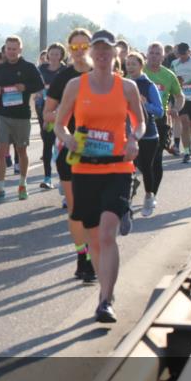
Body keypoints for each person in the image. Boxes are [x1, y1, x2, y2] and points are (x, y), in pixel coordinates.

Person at [53, 30, 145, 323]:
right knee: (94, 237)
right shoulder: (75, 86)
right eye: (98, 50)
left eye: (108, 50)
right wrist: (67, 140)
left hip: (117, 167)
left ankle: (105, 299)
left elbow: (140, 122)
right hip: (85, 168)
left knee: (107, 233)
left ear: (116, 53)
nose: (103, 55)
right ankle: (105, 289)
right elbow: (60, 124)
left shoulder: (127, 87)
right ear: (91, 54)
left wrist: (134, 139)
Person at [43, 28, 97, 283]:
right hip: (71, 147)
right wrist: (69, 113)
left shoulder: (103, 73)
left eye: (83, 46)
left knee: (95, 208)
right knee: (76, 209)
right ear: (69, 49)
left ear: (91, 46)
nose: (79, 51)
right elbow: (47, 114)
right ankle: (82, 256)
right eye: (74, 47)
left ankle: (95, 252)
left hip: (100, 148)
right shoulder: (63, 77)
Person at [0, 35, 45, 202]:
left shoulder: (29, 67)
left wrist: (25, 87)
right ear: (5, 49)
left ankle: (22, 184)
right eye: (8, 48)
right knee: (1, 152)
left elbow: (39, 86)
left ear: (20, 50)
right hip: (2, 114)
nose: (11, 52)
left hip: (22, 115)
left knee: (21, 150)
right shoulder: (0, 68)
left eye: (14, 49)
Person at [142, 42, 183, 214]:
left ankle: (151, 195)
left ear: (163, 56)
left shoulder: (168, 75)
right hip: (138, 122)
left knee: (156, 160)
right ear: (147, 54)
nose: (154, 56)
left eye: (157, 53)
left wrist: (176, 109)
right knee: (141, 162)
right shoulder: (138, 72)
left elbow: (179, 96)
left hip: (160, 122)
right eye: (151, 52)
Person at [124, 52, 164, 218]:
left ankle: (149, 196)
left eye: (134, 64)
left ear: (141, 65)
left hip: (148, 134)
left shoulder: (148, 85)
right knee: (127, 169)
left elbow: (160, 111)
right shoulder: (123, 84)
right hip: (127, 134)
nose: (130, 67)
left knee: (146, 167)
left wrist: (145, 104)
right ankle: (126, 203)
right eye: (128, 64)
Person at [37, 42, 65, 190]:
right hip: (44, 109)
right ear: (47, 55)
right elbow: (35, 85)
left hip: (62, 111)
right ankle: (47, 177)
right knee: (47, 143)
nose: (54, 56)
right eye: (51, 53)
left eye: (57, 54)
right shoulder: (41, 69)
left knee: (61, 145)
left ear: (61, 55)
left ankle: (63, 178)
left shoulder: (66, 70)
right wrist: (38, 93)